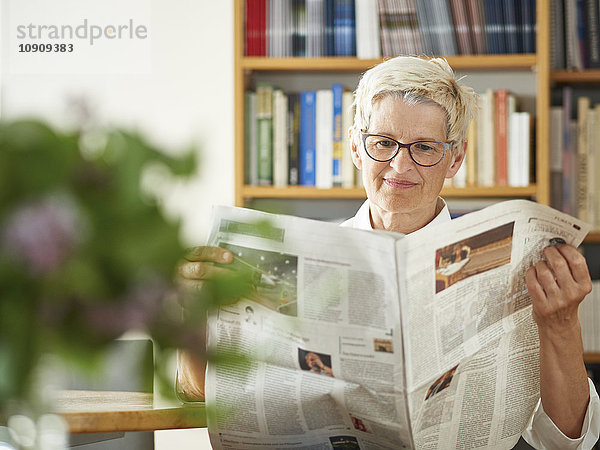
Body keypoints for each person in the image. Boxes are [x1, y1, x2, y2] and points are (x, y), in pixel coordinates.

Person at [176, 56, 599, 448]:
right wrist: (195, 312)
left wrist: (561, 326)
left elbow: (567, 439)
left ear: (455, 158)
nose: (400, 166)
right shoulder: (300, 257)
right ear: (357, 148)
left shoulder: (514, 265)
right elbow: (202, 393)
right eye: (383, 143)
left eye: (425, 147)